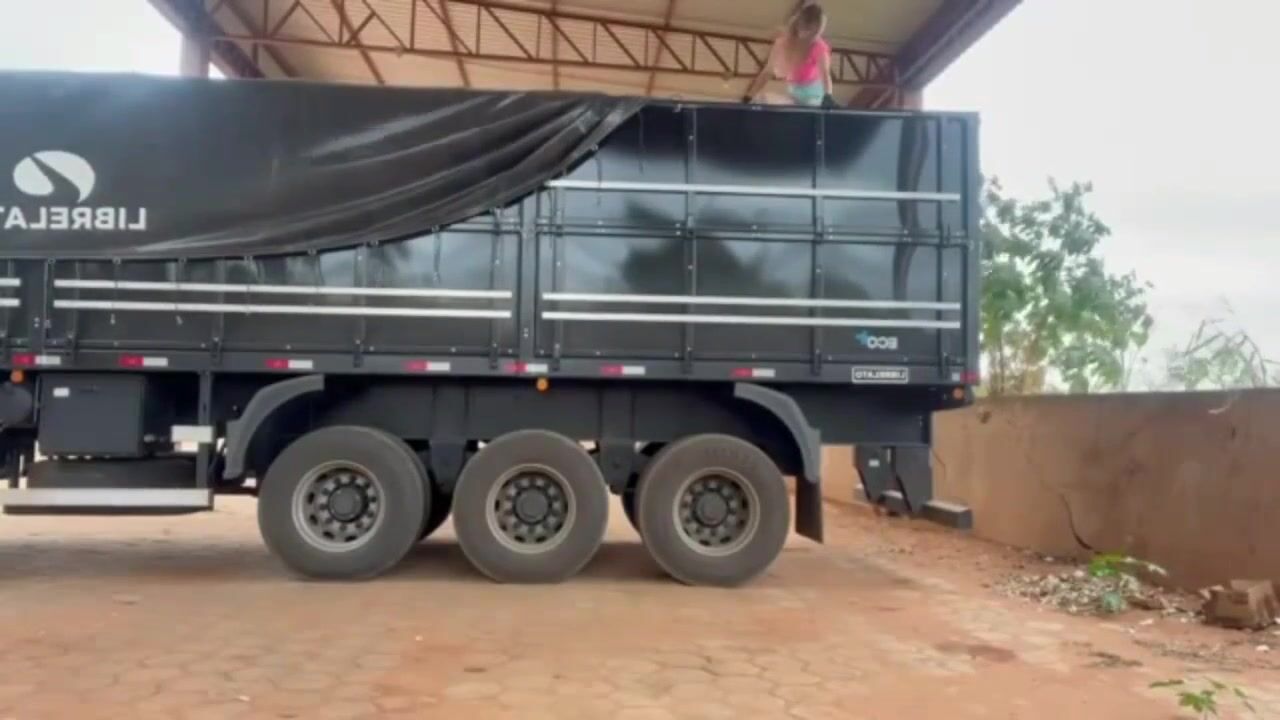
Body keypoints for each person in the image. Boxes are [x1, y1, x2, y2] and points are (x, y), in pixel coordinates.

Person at [744, 2, 835, 107]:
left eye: (810, 32)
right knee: (763, 99)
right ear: (798, 25)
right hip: (794, 93)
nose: (805, 35)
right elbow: (767, 72)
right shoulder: (782, 44)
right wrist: (749, 96)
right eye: (804, 28)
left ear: (815, 32)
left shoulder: (818, 47)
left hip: (814, 96)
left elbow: (825, 74)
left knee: (808, 106)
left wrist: (828, 96)